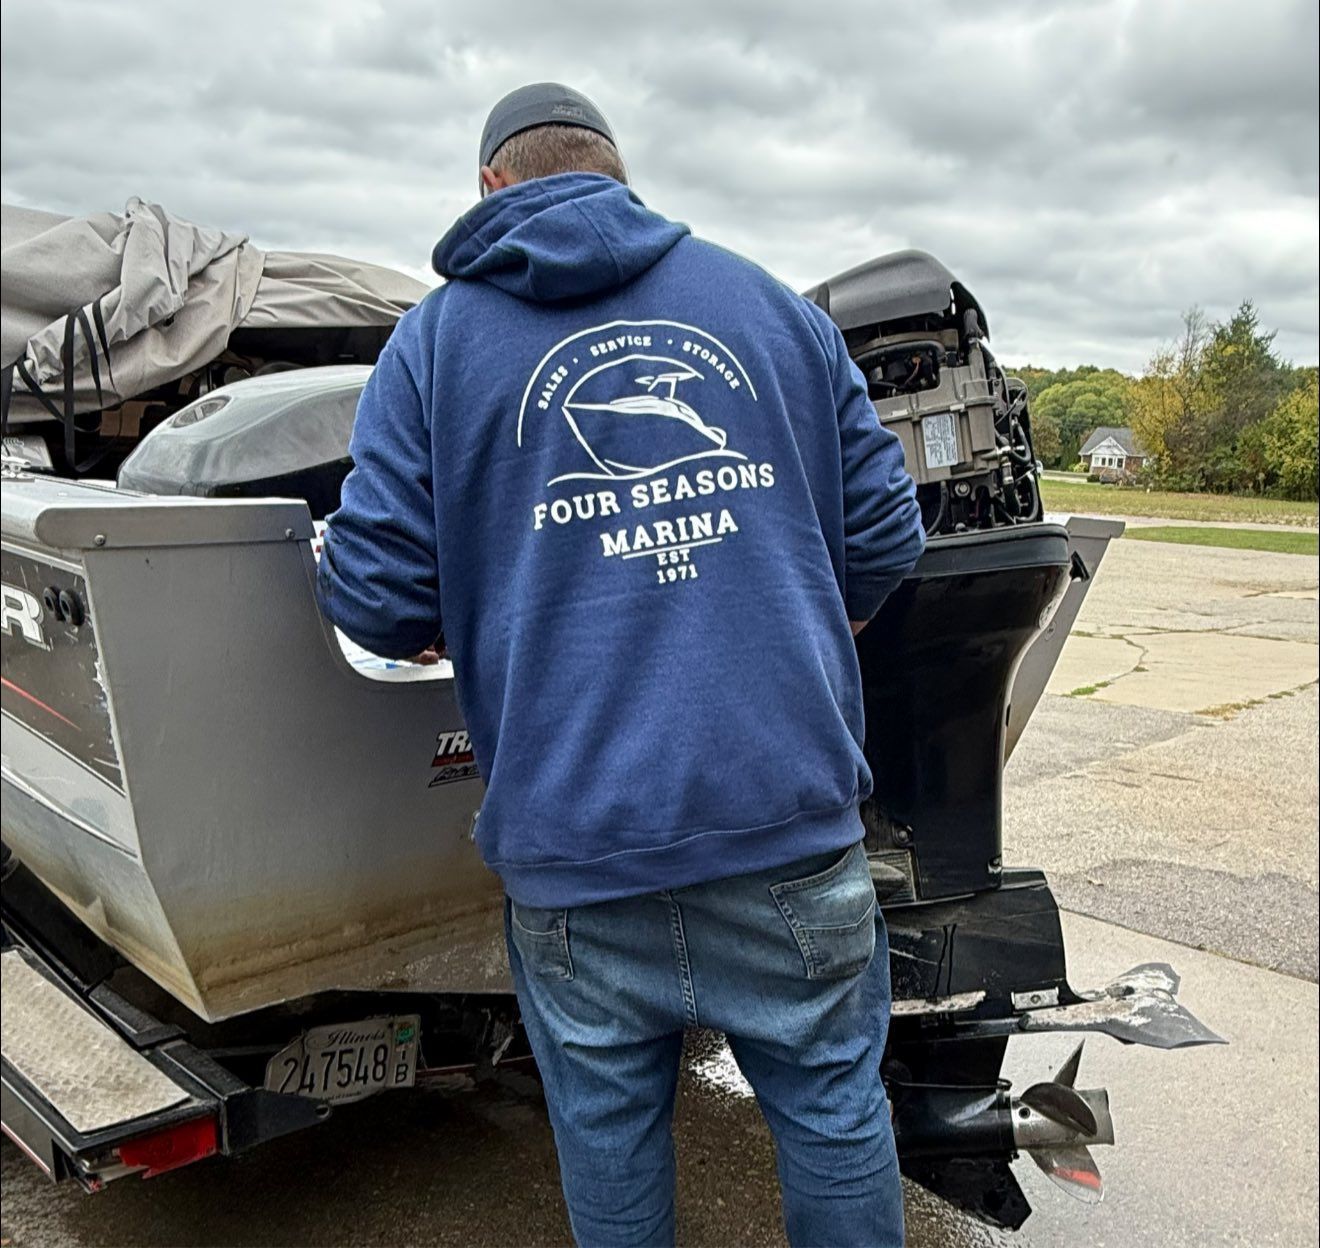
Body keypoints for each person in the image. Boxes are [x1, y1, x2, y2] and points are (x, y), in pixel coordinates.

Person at [317, 82, 925, 1248]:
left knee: (608, 1143)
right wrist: (795, 605)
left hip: (573, 848)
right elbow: (890, 537)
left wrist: (490, 597)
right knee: (835, 1112)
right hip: (788, 824)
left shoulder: (435, 343)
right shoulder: (770, 308)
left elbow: (375, 597)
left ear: (492, 186)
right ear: (616, 172)